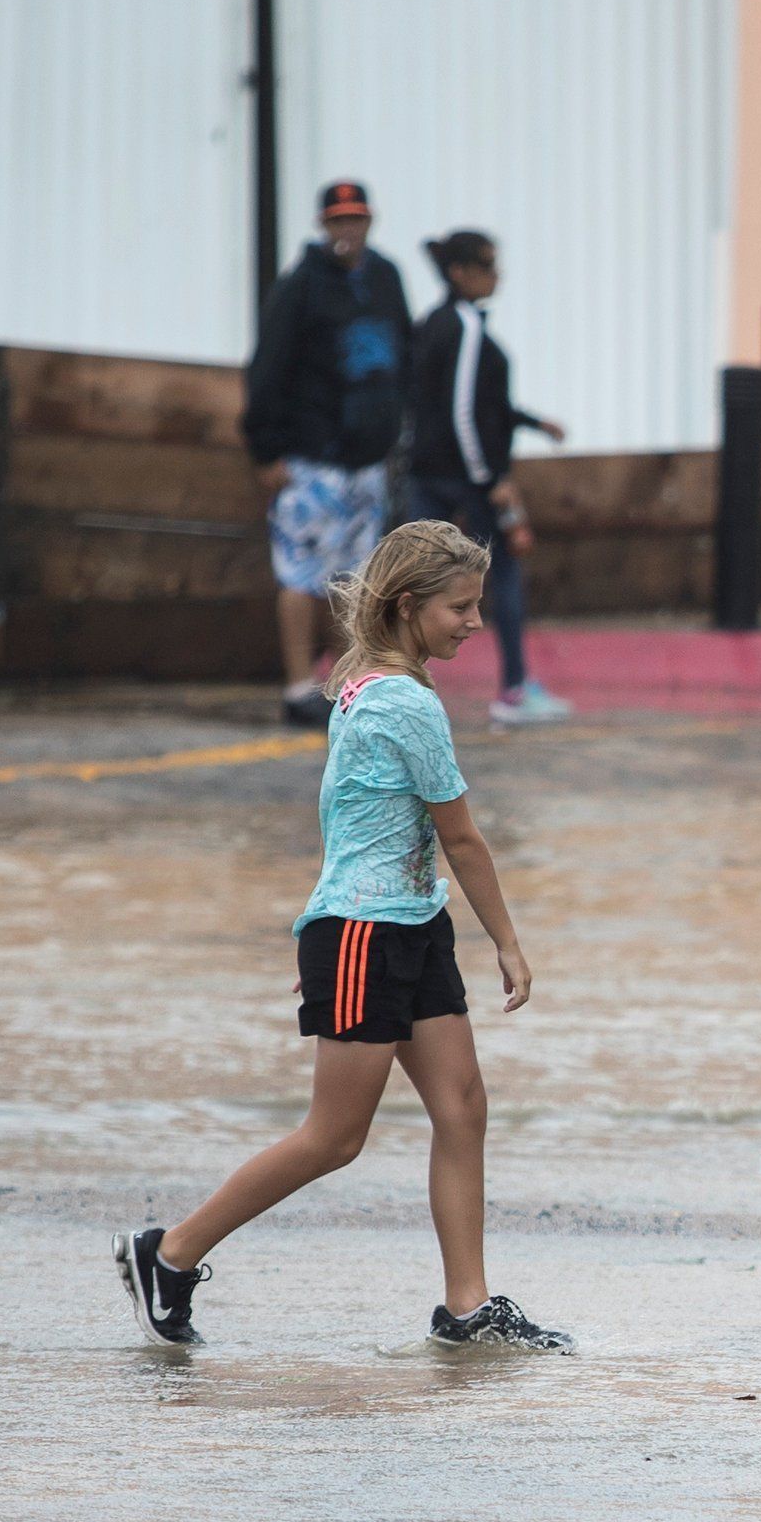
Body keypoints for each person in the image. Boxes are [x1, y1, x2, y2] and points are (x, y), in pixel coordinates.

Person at [117, 519, 567, 1352]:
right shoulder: (401, 700)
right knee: (335, 1137)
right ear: (407, 606)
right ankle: (169, 1253)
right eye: (460, 607)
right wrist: (506, 940)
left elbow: (350, 815)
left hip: (402, 921)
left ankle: (467, 1307)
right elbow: (462, 835)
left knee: (462, 1107)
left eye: (477, 604)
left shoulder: (364, 680)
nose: (475, 621)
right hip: (368, 933)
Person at [244, 179, 417, 727]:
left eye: (356, 219)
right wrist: (265, 449)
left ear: (370, 222)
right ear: (324, 226)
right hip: (311, 459)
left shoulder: (386, 279)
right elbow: (266, 369)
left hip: (365, 461)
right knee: (301, 574)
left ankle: (348, 683)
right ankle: (299, 688)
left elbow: (404, 359)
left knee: (356, 579)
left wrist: (398, 431)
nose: (348, 230)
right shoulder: (300, 288)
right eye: (338, 221)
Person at [411, 228, 573, 728]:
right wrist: (491, 478)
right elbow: (462, 413)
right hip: (464, 480)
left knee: (419, 582)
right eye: (487, 266)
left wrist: (529, 422)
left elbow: (475, 404)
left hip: (432, 473)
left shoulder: (436, 324)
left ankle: (402, 688)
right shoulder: (462, 326)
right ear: (461, 273)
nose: (496, 276)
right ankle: (515, 687)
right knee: (500, 576)